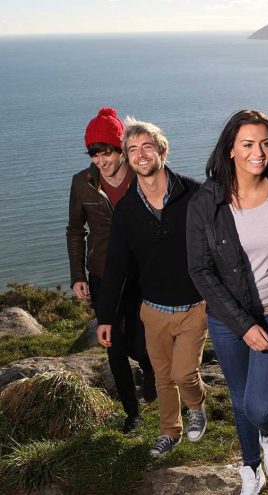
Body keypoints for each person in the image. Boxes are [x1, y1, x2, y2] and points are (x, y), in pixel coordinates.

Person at [187, 109, 268, 495]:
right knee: (239, 400)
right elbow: (200, 270)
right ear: (230, 151)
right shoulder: (207, 201)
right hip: (226, 316)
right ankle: (249, 468)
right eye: (248, 144)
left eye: (265, 143)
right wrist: (242, 324)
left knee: (257, 406)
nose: (259, 152)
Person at [96, 117, 208, 457]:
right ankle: (169, 432)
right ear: (127, 158)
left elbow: (219, 244)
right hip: (153, 310)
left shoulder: (193, 193)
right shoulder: (127, 210)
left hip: (194, 306)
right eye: (132, 149)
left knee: (185, 372)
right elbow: (115, 266)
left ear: (162, 150)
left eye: (147, 146)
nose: (140, 155)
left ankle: (197, 408)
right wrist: (105, 317)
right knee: (162, 377)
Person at [66, 107, 156, 434]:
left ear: (121, 149)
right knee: (113, 345)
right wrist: (78, 275)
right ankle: (132, 415)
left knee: (138, 343)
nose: (101, 160)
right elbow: (76, 230)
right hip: (103, 275)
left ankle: (150, 376)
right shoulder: (81, 184)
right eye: (94, 154)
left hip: (140, 276)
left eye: (107, 152)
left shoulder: (144, 176)